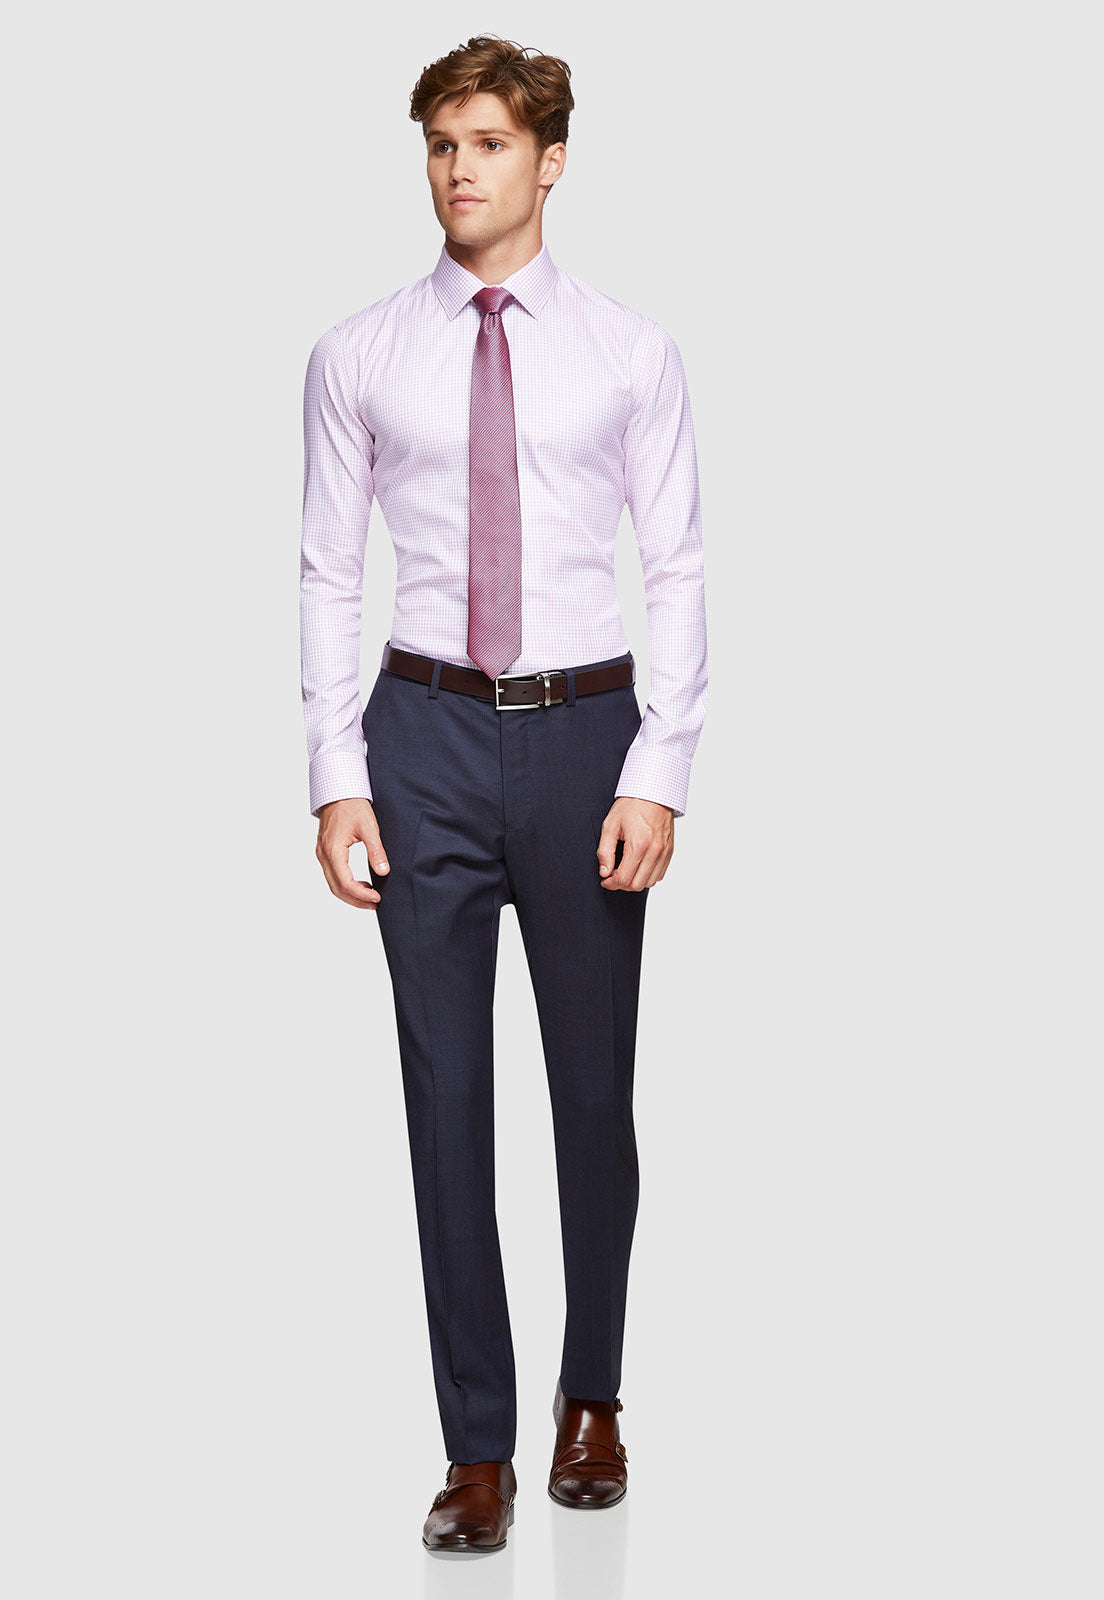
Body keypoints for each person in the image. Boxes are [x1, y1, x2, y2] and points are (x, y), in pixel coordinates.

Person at [299, 34, 708, 1554]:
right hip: (419, 733)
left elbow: (676, 566)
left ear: (550, 161)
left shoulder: (629, 352)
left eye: (487, 142)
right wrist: (337, 774)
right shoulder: (358, 355)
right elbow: (326, 573)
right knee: (444, 1098)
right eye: (440, 142)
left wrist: (660, 770)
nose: (458, 168)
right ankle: (475, 1443)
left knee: (593, 1095)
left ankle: (591, 1396)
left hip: (583, 734)